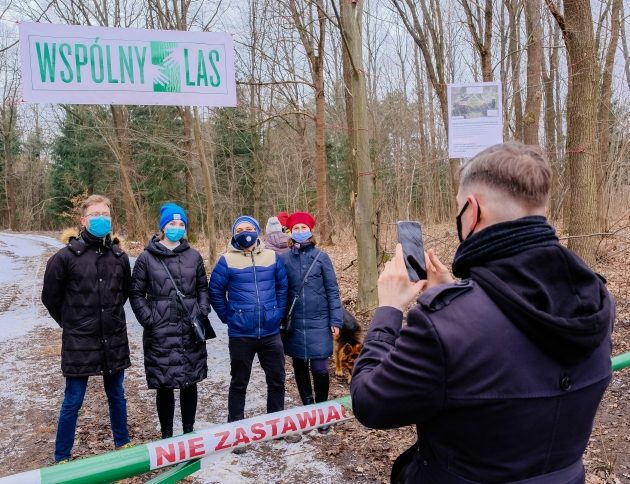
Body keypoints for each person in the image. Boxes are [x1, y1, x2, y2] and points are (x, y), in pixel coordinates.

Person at [351, 143, 615, 483]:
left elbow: (371, 404)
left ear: (472, 211)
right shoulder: (596, 298)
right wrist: (457, 293)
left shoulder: (442, 324)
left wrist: (389, 309)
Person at [41, 194, 132, 464]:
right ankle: (62, 457)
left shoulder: (119, 257)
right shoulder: (64, 258)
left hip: (113, 338)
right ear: (83, 220)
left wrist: (109, 319)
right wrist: (72, 323)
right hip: (79, 340)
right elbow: (51, 298)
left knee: (116, 394)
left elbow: (123, 293)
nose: (101, 219)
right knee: (73, 400)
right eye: (95, 215)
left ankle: (123, 444)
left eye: (105, 214)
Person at [129, 203, 210, 439]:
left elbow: (202, 287)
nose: (177, 227)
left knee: (189, 382)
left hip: (190, 329)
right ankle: (167, 435)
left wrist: (202, 309)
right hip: (160, 331)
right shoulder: (146, 258)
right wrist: (149, 319)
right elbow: (136, 293)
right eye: (172, 224)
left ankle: (188, 432)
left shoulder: (194, 256)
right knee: (164, 385)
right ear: (163, 227)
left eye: (181, 224)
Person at [208, 216, 288, 434]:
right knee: (239, 383)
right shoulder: (226, 260)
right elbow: (214, 290)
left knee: (277, 380)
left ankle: (276, 427)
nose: (245, 232)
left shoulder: (272, 257)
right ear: (234, 234)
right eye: (240, 229)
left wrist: (278, 313)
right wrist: (228, 316)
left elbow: (282, 287)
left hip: (271, 332)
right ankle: (236, 431)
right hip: (241, 334)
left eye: (249, 228)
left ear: (258, 231)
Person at [280, 211, 343, 433]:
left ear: (310, 231)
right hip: (295, 322)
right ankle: (308, 411)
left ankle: (322, 411)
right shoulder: (283, 259)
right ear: (290, 232)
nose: (299, 232)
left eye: (303, 228)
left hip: (320, 320)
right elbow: (280, 291)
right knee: (299, 365)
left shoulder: (322, 257)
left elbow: (333, 290)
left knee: (319, 367)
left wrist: (336, 319)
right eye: (295, 228)